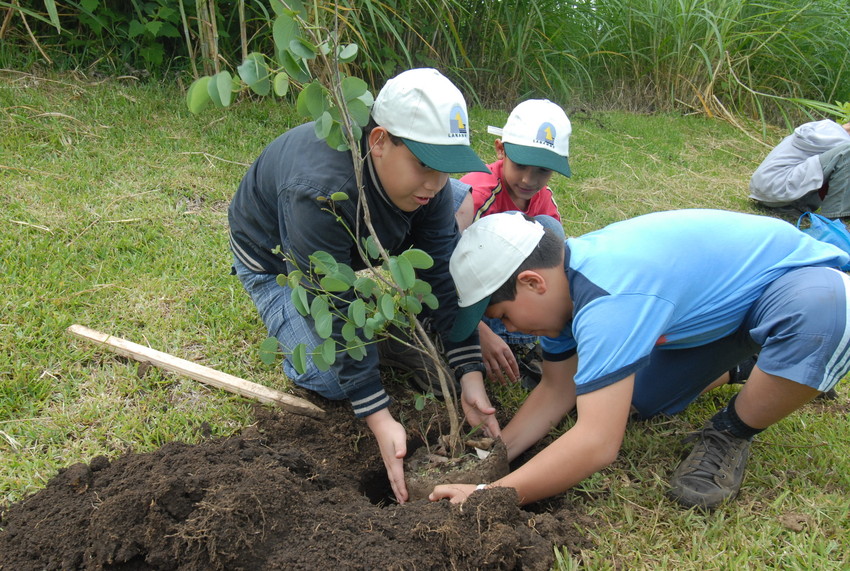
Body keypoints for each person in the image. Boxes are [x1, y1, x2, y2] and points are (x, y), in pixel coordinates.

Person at [431, 209, 849, 509]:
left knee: (823, 315)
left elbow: (597, 443)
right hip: (715, 320)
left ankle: (733, 429)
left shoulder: (610, 297)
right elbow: (558, 388)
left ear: (532, 282)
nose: (513, 327)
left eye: (504, 315)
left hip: (794, 285)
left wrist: (489, 497)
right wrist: (492, 457)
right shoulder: (564, 292)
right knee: (638, 399)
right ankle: (758, 371)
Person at [228, 68, 500, 505]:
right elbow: (332, 299)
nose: (435, 182)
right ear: (378, 142)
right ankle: (381, 339)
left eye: (446, 168)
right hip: (278, 264)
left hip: (342, 252)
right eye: (425, 164)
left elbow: (441, 274)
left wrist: (470, 373)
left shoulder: (428, 188)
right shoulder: (317, 192)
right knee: (331, 376)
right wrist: (379, 417)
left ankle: (384, 332)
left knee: (449, 206)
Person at [452, 99, 572, 388]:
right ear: (500, 149)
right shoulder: (477, 193)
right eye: (520, 165)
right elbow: (447, 272)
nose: (529, 180)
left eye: (543, 170)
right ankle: (493, 343)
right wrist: (480, 332)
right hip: (470, 307)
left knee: (551, 232)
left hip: (517, 309)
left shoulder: (543, 199)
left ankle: (524, 340)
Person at [750, 119, 850, 219]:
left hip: (765, 190)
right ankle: (835, 219)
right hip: (779, 191)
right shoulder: (841, 141)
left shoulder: (824, 129)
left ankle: (793, 207)